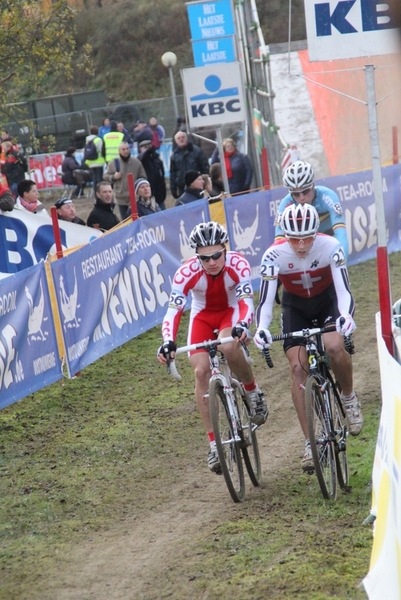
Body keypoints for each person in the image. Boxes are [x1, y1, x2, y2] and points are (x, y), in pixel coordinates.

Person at [254, 204, 363, 472]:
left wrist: (345, 316)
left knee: (335, 345)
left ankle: (348, 398)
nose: (301, 246)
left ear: (316, 233)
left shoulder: (330, 247)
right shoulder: (273, 255)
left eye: (307, 238)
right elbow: (266, 302)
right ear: (284, 235)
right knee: (297, 368)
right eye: (294, 239)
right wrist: (261, 328)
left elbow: (344, 290)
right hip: (295, 306)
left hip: (328, 301)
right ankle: (309, 441)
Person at [157, 221, 268, 473]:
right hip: (203, 317)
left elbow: (246, 302)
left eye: (216, 255)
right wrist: (167, 341)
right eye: (204, 258)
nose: (211, 262)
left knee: (229, 348)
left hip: (230, 314)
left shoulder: (238, 264)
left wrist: (242, 325)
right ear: (197, 256)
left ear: (225, 249)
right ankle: (214, 445)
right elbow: (173, 311)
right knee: (200, 373)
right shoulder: (186, 273)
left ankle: (252, 391)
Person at [275, 160, 349, 258]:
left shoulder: (328, 196)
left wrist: (342, 262)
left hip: (329, 238)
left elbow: (341, 234)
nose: (301, 198)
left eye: (305, 191)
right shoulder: (285, 204)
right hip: (305, 244)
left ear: (313, 186)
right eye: (296, 194)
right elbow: (278, 243)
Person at [103, 141, 146, 219]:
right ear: (119, 150)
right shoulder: (113, 163)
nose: (126, 151)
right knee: (125, 220)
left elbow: (143, 177)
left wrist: (139, 189)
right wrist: (113, 177)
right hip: (121, 197)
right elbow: (105, 176)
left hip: (134, 198)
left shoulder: (136, 163)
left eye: (127, 149)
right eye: (123, 149)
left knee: (136, 219)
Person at [169, 132, 209, 199]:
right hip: (182, 187)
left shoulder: (197, 151)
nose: (181, 139)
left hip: (198, 186)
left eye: (183, 137)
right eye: (179, 138)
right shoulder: (174, 156)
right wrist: (173, 188)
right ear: (176, 141)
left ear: (187, 138)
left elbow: (205, 167)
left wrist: (206, 182)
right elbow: (173, 173)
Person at [137, 138, 167, 210]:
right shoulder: (140, 161)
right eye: (145, 147)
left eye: (149, 146)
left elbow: (162, 175)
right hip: (148, 195)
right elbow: (142, 157)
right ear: (140, 149)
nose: (148, 149)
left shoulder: (157, 160)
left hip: (159, 194)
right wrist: (148, 151)